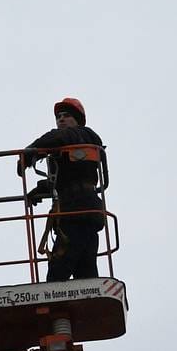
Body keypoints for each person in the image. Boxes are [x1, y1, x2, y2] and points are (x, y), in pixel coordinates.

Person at [17, 97, 106, 281]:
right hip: (82, 211)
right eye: (58, 117)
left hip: (77, 212)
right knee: (86, 274)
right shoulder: (66, 149)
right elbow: (63, 180)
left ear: (78, 120)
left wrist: (29, 152)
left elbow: (57, 136)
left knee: (57, 274)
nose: (61, 119)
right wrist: (40, 189)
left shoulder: (83, 135)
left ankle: (54, 304)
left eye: (67, 116)